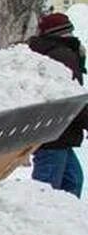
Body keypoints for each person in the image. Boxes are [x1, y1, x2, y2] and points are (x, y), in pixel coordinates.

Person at [27, 11, 88, 197]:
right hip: (54, 132)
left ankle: (62, 221)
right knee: (47, 188)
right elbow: (70, 95)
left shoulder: (57, 52)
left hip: (60, 132)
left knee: (73, 181)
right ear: (61, 33)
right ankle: (40, 221)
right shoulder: (61, 55)